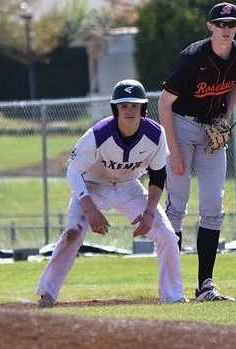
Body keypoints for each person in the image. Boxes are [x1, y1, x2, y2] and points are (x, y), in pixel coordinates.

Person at [36, 80, 187, 307]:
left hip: (128, 186)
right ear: (115, 108)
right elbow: (73, 171)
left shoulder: (155, 134)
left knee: (166, 234)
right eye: (123, 105)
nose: (129, 109)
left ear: (143, 109)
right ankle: (47, 293)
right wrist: (89, 208)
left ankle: (173, 296)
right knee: (73, 233)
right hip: (92, 186)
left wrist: (148, 213)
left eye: (134, 105)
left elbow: (158, 176)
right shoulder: (98, 134)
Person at [159, 2, 236, 301]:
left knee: (213, 207)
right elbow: (164, 103)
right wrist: (173, 150)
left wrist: (227, 116)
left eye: (232, 24)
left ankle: (205, 285)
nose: (226, 29)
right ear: (210, 26)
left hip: (213, 130)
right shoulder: (192, 58)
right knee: (176, 208)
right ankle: (171, 288)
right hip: (182, 127)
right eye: (221, 23)